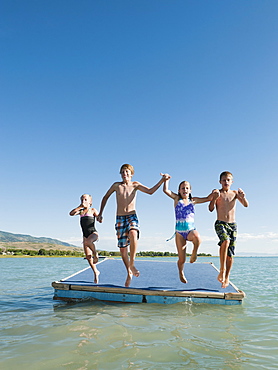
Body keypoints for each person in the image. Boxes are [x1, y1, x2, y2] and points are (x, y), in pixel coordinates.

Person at [97, 164, 168, 287]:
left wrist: (162, 180)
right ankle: (128, 272)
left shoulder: (135, 185)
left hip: (131, 215)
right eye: (123, 172)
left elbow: (150, 191)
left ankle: (132, 263)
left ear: (132, 174)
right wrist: (100, 213)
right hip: (120, 218)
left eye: (127, 171)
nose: (125, 174)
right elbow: (105, 197)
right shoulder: (116, 186)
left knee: (133, 232)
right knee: (123, 249)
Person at [163, 176, 213, 283]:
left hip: (190, 230)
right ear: (179, 190)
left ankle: (194, 253)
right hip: (179, 233)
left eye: (187, 188)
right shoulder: (177, 199)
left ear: (190, 190)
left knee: (197, 238)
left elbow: (208, 198)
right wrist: (166, 180)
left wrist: (215, 194)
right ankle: (181, 273)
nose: (184, 190)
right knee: (182, 259)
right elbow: (166, 190)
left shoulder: (193, 201)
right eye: (182, 188)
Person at [209, 171, 249, 288]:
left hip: (233, 225)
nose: (226, 182)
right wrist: (214, 198)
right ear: (220, 182)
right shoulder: (217, 193)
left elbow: (246, 205)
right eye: (224, 180)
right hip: (220, 223)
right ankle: (222, 269)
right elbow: (211, 209)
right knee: (225, 241)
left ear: (232, 182)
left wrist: (243, 197)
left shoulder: (235, 193)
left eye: (228, 180)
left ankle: (226, 277)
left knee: (230, 254)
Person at [69, 194, 100, 284]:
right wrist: (80, 207)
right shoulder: (81, 211)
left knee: (88, 242)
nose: (83, 201)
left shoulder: (92, 210)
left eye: (86, 200)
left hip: (93, 233)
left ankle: (95, 254)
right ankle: (96, 272)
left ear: (90, 202)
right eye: (82, 200)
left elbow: (98, 217)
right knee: (88, 257)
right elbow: (71, 213)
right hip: (85, 236)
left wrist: (99, 218)